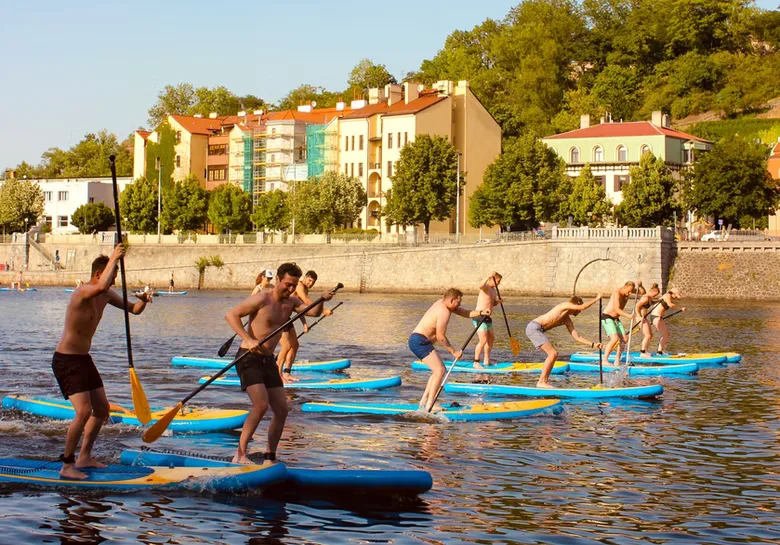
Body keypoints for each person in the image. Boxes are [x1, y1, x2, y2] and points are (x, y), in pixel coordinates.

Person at [53, 245, 152, 480]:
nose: (113, 282)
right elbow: (100, 286)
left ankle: (84, 457)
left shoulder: (105, 294)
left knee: (102, 410)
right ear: (99, 273)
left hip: (83, 359)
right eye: (112, 276)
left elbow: (134, 310)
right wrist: (115, 256)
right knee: (84, 411)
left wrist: (144, 300)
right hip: (66, 360)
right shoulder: (83, 291)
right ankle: (67, 466)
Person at [224, 262, 334, 464]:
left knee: (282, 410)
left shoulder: (291, 303)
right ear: (277, 279)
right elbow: (231, 315)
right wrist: (247, 339)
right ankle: (239, 455)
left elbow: (314, 312)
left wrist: (322, 300)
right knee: (261, 405)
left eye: (294, 285)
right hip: (248, 358)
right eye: (287, 284)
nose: (290, 289)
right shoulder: (261, 298)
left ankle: (270, 456)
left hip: (268, 360)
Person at [408, 288, 491, 412]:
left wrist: (481, 312)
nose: (459, 304)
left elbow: (465, 313)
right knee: (440, 370)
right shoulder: (443, 311)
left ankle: (424, 401)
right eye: (458, 302)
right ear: (452, 300)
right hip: (419, 341)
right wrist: (454, 352)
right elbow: (440, 336)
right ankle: (431, 404)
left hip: (419, 341)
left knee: (437, 371)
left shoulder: (442, 303)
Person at [526, 295, 602, 388]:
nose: (580, 311)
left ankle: (543, 381)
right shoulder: (564, 305)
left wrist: (593, 344)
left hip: (537, 330)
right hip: (534, 327)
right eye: (578, 309)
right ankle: (542, 382)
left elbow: (577, 337)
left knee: (553, 354)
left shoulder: (567, 320)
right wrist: (596, 299)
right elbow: (582, 307)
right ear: (575, 306)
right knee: (553, 353)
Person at [276, 270, 332, 383]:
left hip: (287, 317)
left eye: (313, 282)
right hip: (279, 316)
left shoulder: (304, 288)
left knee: (295, 345)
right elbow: (306, 301)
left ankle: (287, 373)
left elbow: (299, 308)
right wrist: (323, 310)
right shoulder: (300, 286)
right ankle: (278, 375)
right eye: (310, 280)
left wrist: (304, 324)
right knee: (286, 346)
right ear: (305, 278)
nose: (311, 283)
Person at [600, 281, 643, 366]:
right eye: (629, 291)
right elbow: (616, 309)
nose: (630, 293)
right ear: (624, 287)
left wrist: (640, 286)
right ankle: (604, 360)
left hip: (615, 319)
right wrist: (628, 316)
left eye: (632, 291)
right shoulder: (617, 293)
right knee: (615, 339)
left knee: (624, 339)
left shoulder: (629, 291)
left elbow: (642, 292)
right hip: (607, 317)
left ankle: (617, 360)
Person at [473, 272, 502, 369]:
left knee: (491, 338)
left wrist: (497, 302)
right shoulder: (485, 287)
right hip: (479, 316)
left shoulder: (494, 291)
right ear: (492, 279)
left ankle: (486, 359)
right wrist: (489, 275)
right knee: (483, 340)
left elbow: (492, 303)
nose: (499, 283)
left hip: (487, 317)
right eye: (498, 281)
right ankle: (476, 362)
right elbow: (480, 285)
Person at [650, 288, 685, 354]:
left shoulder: (667, 296)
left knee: (666, 334)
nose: (676, 298)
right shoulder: (667, 295)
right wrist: (680, 308)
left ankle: (660, 351)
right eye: (676, 296)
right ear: (673, 293)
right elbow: (670, 304)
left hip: (657, 317)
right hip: (656, 317)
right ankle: (657, 352)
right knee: (665, 335)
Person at [636, 283, 661, 355]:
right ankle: (642, 352)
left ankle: (645, 350)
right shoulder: (645, 298)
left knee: (651, 335)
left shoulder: (650, 298)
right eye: (655, 295)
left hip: (645, 318)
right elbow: (637, 306)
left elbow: (652, 303)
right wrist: (639, 316)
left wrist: (659, 301)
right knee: (647, 335)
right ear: (652, 291)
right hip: (640, 318)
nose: (655, 296)